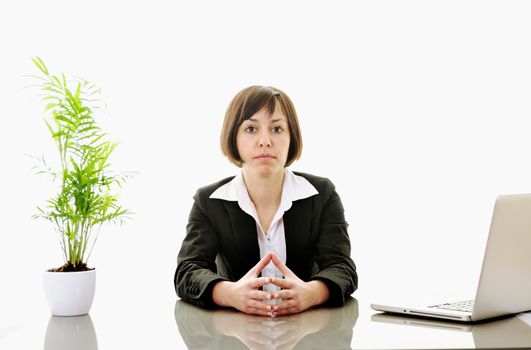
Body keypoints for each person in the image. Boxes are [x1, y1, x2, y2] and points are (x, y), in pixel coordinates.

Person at [174, 85, 357, 317]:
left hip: (309, 330)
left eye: (277, 129)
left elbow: (343, 268)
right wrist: (229, 293)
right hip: (234, 333)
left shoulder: (321, 194)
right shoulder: (209, 201)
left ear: (292, 138)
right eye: (251, 128)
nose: (265, 141)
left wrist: (313, 293)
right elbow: (188, 271)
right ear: (234, 137)